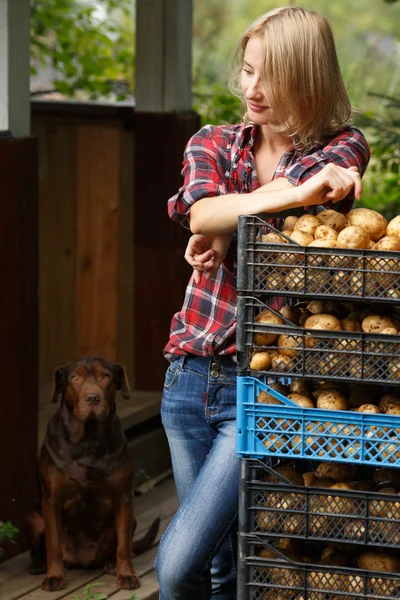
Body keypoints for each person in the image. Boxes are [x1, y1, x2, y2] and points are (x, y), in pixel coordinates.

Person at [155, 6, 370, 600]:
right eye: (247, 71)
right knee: (222, 566)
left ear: (307, 79)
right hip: (187, 378)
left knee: (177, 565)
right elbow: (199, 212)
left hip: (263, 384)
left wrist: (242, 209)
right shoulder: (214, 141)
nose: (252, 89)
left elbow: (292, 201)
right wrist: (279, 197)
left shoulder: (342, 146)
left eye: (269, 77)